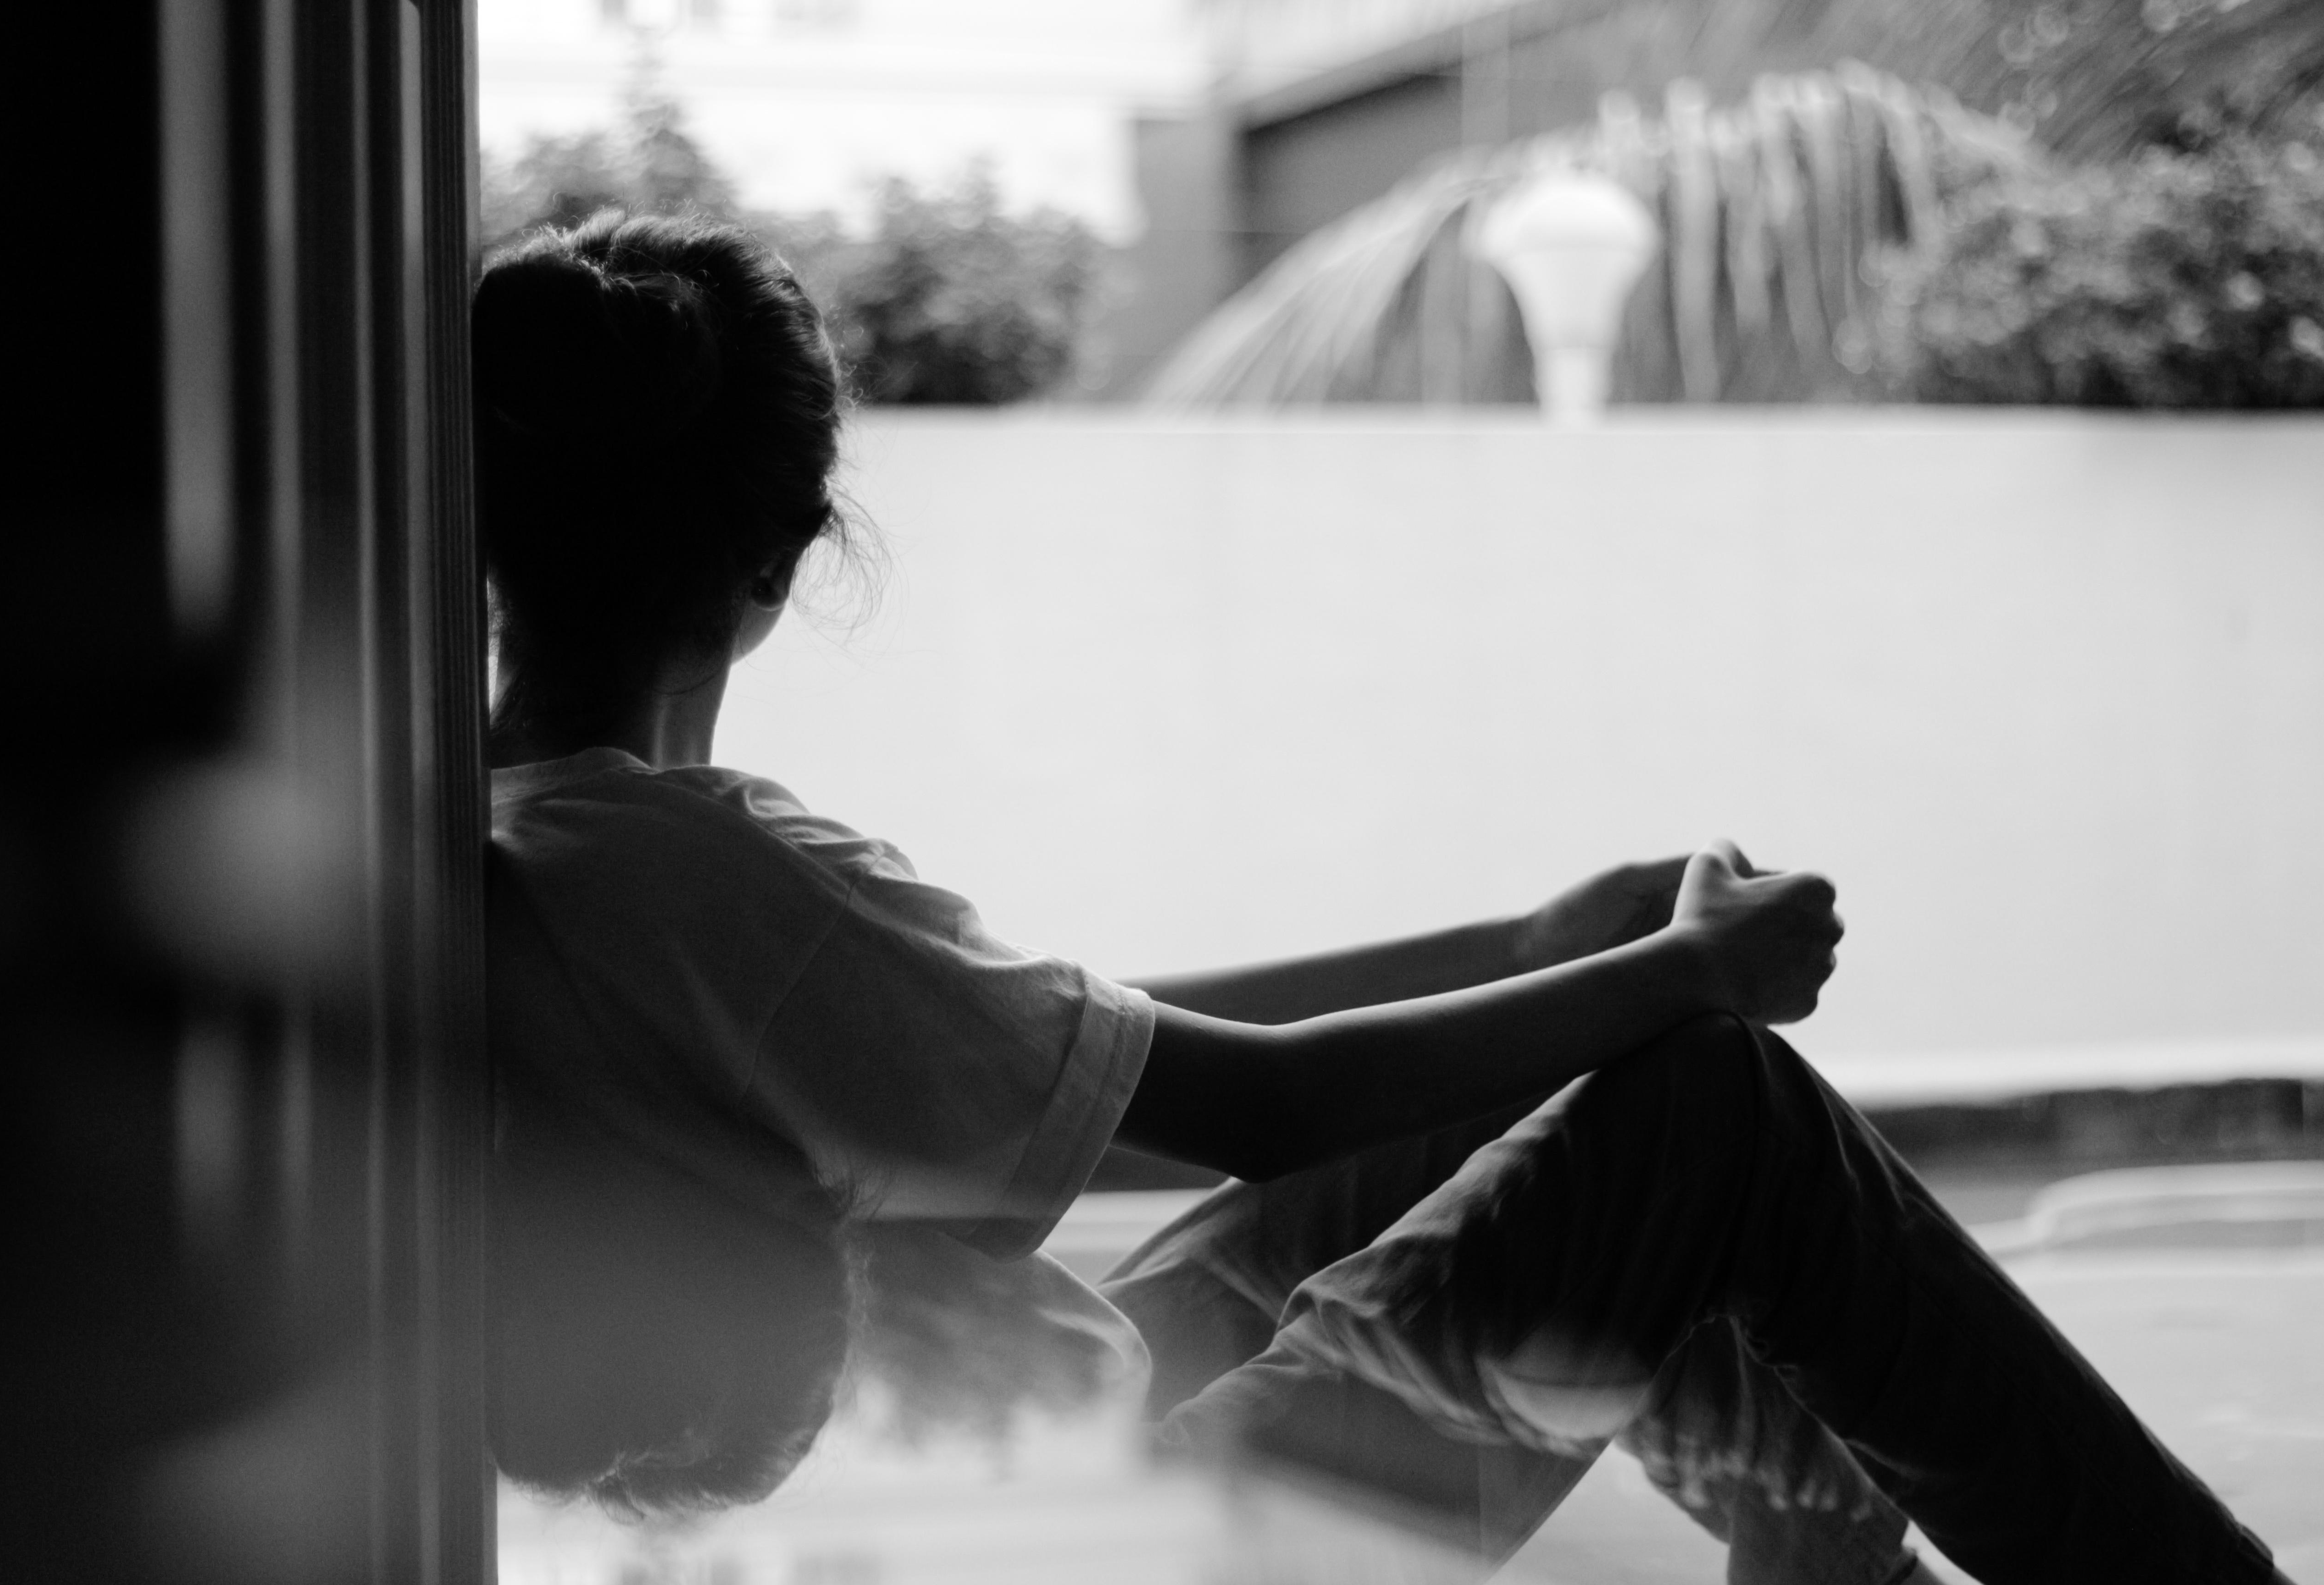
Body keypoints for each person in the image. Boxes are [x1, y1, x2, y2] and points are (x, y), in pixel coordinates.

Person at [477, 213, 2288, 1584]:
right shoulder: (708, 871)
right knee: (1707, 1108)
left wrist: (1535, 954)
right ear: (790, 548)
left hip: (1003, 1445)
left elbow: (1103, 1053)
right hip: (1101, 1531)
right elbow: (1257, 1108)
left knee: (1571, 1094)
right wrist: (1689, 972)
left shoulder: (532, 826)